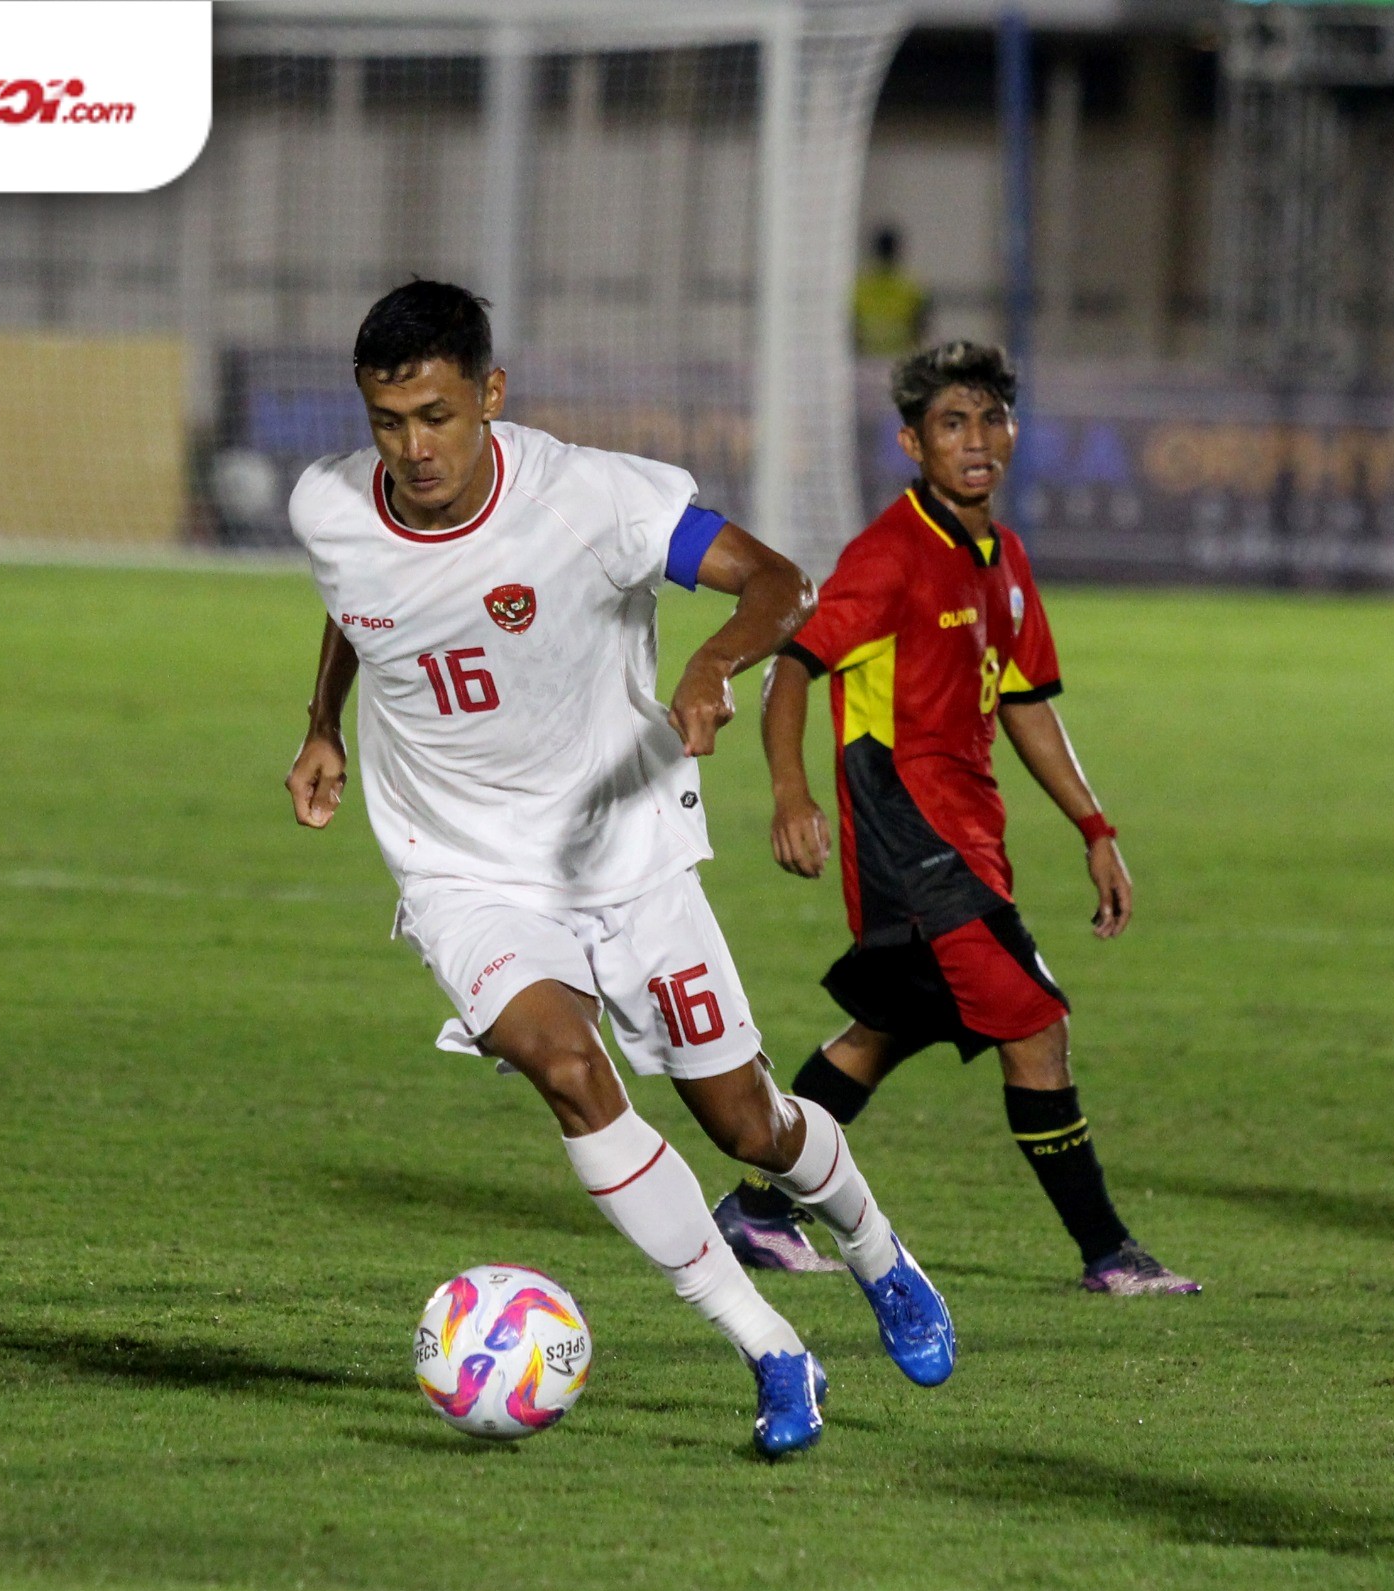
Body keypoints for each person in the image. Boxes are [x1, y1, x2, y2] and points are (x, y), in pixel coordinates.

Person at [282, 280, 955, 1461]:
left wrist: (711, 665)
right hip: (464, 868)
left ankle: (875, 1247)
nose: (412, 447)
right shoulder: (328, 506)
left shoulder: (593, 498)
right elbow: (360, 602)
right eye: (388, 420)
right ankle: (767, 1342)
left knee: (746, 1123)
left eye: (436, 415)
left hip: (626, 852)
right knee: (563, 1064)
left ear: (491, 395)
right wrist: (321, 723)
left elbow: (778, 579)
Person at [713, 340, 1199, 1296]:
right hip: (910, 836)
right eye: (951, 424)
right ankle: (1109, 1254)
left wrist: (1095, 828)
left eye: (989, 419)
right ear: (912, 443)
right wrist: (790, 794)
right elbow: (793, 666)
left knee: (883, 1029)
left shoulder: (1003, 559)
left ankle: (758, 1212)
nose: (974, 440)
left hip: (969, 835)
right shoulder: (890, 556)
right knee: (1035, 1021)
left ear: (1013, 432)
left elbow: (1024, 699)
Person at [853, 227, 931, 359]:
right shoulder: (912, 288)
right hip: (901, 358)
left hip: (867, 361)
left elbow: (853, 329)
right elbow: (922, 329)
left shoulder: (861, 288)